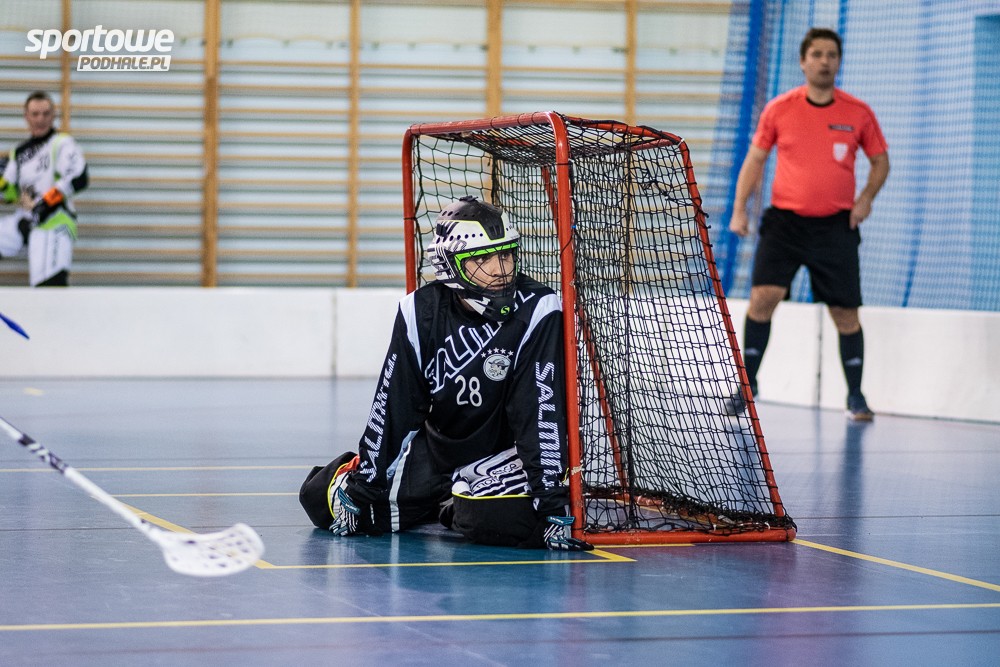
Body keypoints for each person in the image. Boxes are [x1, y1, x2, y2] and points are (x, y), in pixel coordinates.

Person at [299, 196, 592, 551]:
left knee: (488, 517)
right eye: (482, 259)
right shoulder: (418, 311)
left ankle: (455, 505)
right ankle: (442, 498)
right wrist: (365, 486)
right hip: (437, 453)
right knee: (320, 501)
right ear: (450, 264)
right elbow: (394, 405)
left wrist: (549, 501)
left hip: (505, 455)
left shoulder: (539, 309)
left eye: (505, 255)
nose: (499, 269)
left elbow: (539, 410)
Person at [729, 27, 889, 421]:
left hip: (835, 228)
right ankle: (748, 385)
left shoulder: (858, 112)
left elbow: (881, 162)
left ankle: (856, 396)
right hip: (785, 225)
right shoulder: (779, 109)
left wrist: (865, 198)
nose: (824, 61)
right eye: (816, 54)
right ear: (803, 62)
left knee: (845, 314)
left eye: (831, 54)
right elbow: (755, 160)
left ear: (839, 61)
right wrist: (739, 209)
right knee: (763, 298)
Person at [0, 91, 89, 286]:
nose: (40, 119)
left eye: (46, 114)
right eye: (35, 114)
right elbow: (9, 194)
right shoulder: (19, 152)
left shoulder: (62, 143)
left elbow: (79, 177)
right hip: (26, 218)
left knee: (48, 288)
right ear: (26, 116)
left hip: (53, 220)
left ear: (53, 115)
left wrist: (46, 202)